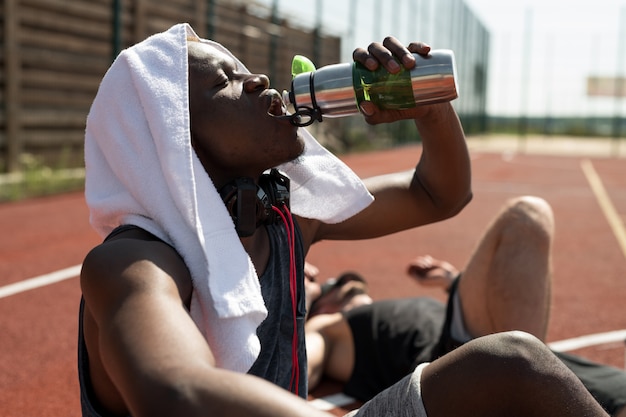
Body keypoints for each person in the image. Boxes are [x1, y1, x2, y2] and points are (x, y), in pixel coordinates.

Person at [78, 22, 610, 417]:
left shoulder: (284, 221)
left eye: (246, 70)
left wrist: (429, 110)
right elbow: (174, 390)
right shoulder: (131, 263)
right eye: (225, 82)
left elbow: (438, 194)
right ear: (171, 140)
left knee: (512, 361)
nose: (258, 78)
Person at [305, 196, 626, 416]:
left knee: (617, 394)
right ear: (321, 306)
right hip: (458, 363)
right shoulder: (325, 327)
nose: (347, 284)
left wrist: (452, 282)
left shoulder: (387, 309)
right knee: (526, 214)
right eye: (331, 286)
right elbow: (298, 366)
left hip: (495, 341)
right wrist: (296, 311)